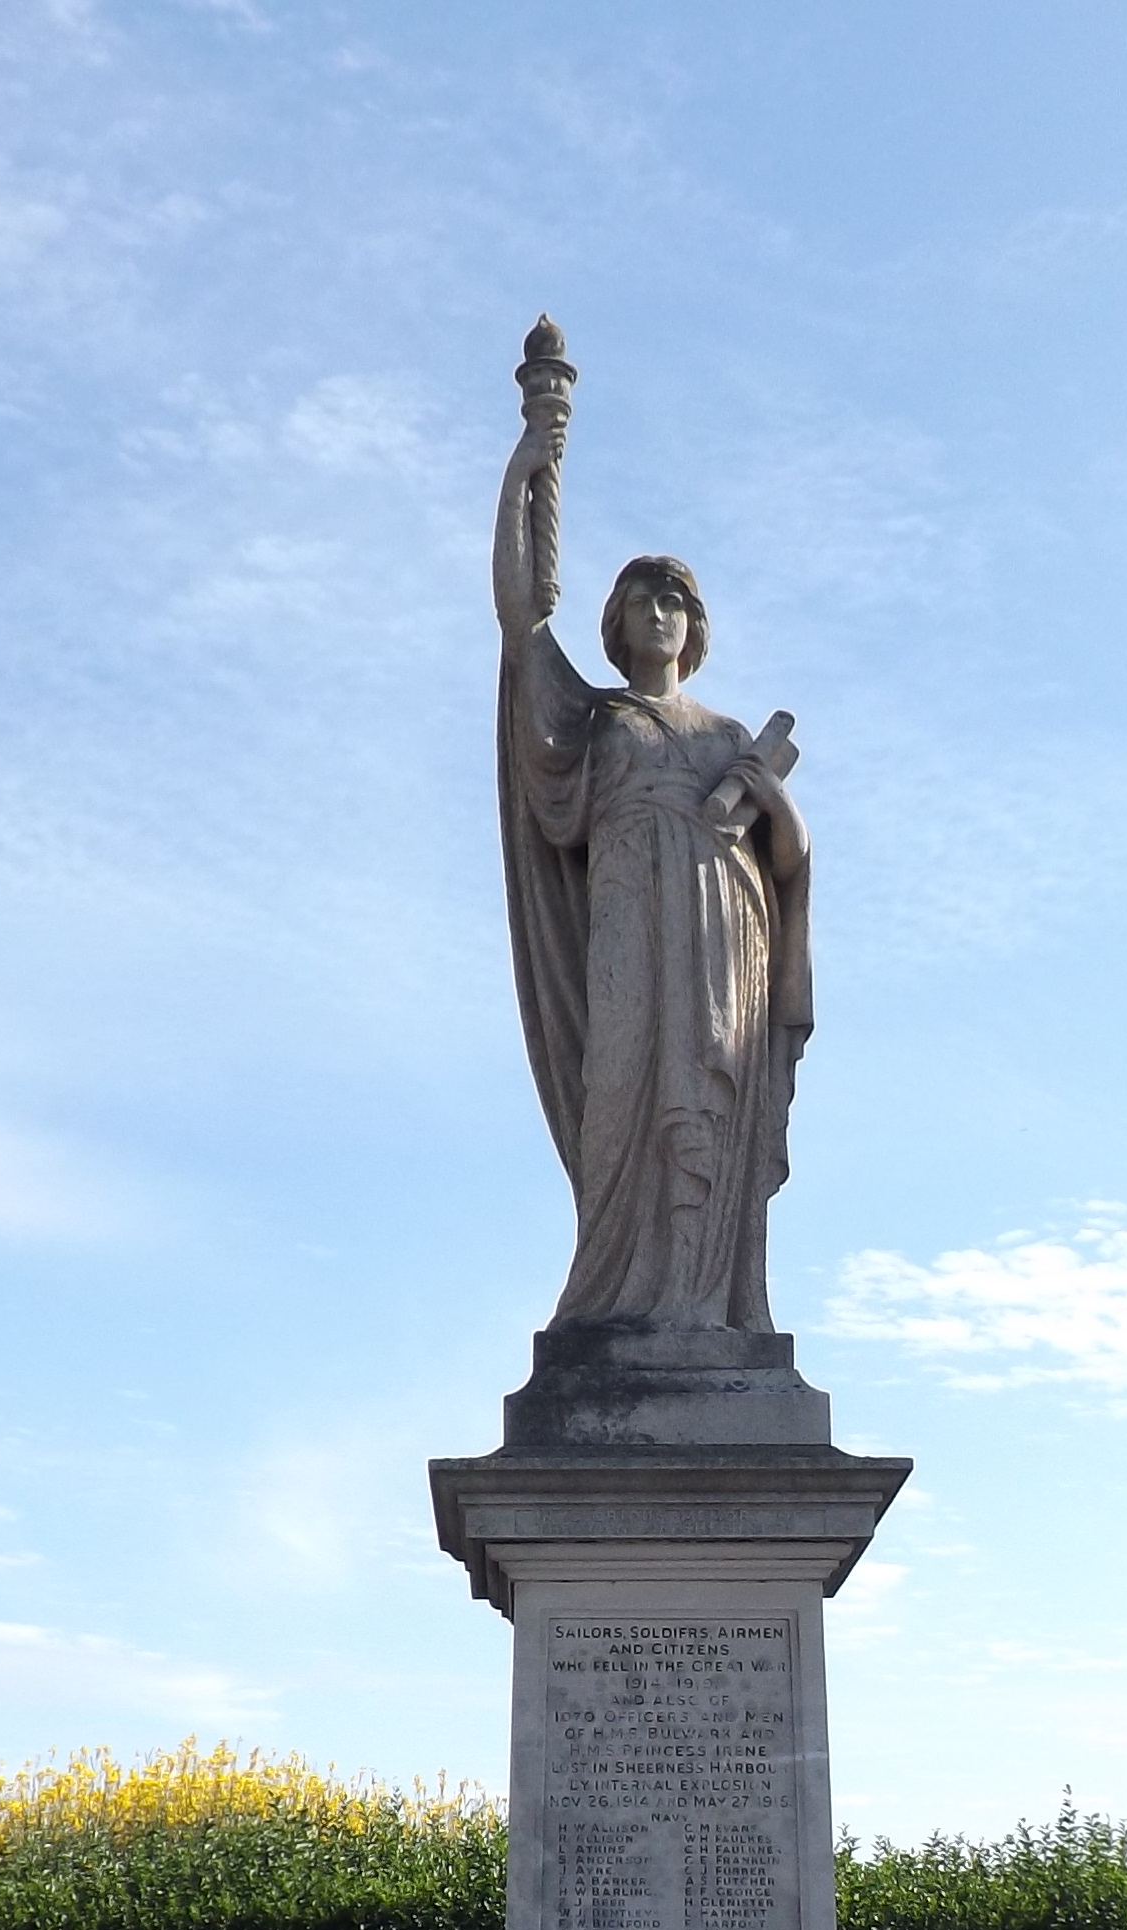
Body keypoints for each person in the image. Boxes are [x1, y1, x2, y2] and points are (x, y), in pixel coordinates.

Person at [491, 323, 815, 1334]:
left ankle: (703, 1307)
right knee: (621, 1094)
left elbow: (792, 864)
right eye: (642, 602)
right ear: (619, 624)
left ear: (695, 623)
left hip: (725, 934)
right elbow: (518, 622)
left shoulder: (726, 737)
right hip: (631, 919)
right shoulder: (598, 721)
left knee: (705, 1105)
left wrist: (773, 801)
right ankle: (618, 1305)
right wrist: (530, 462)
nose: (660, 615)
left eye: (674, 601)